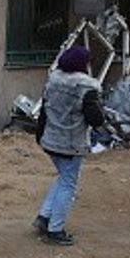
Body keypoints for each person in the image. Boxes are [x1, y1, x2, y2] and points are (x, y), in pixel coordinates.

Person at [32, 45, 105, 246]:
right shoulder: (86, 88)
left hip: (50, 140)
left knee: (63, 178)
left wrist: (40, 136)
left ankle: (44, 217)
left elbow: (44, 112)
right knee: (68, 184)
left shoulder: (53, 82)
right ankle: (55, 229)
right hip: (71, 144)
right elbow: (96, 119)